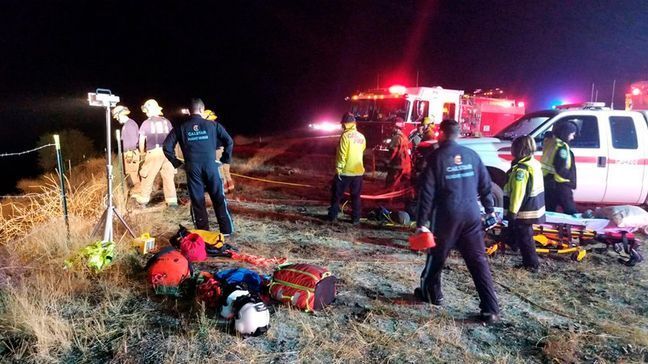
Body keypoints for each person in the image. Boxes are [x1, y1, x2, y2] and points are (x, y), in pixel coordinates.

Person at [414, 119, 500, 324]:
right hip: (471, 215)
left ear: (442, 134)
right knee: (478, 261)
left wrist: (421, 223)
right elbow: (486, 185)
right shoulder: (472, 155)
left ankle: (432, 294)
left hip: (446, 216)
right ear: (458, 134)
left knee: (436, 257)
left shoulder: (436, 157)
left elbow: (426, 193)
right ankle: (491, 310)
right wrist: (489, 210)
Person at [163, 98, 234, 234]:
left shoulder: (180, 127)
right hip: (211, 166)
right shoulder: (213, 125)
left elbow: (167, 147)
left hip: (192, 168)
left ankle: (203, 232)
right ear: (202, 109)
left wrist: (177, 163)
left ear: (189, 111)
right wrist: (224, 159)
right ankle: (226, 230)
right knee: (218, 197)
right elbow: (229, 142)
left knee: (197, 201)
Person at [503, 135, 545, 272]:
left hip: (524, 210)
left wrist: (512, 212)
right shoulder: (533, 163)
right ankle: (516, 247)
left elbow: (518, 193)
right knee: (524, 236)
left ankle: (532, 265)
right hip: (534, 206)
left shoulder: (521, 170)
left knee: (526, 239)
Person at [137, 99, 178, 207]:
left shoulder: (146, 123)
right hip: (168, 153)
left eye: (146, 110)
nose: (145, 113)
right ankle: (172, 201)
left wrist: (142, 154)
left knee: (147, 177)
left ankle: (143, 200)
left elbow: (142, 141)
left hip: (154, 153)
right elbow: (173, 138)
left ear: (149, 110)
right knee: (168, 177)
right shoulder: (167, 122)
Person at [327, 113, 366, 225]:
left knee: (336, 195)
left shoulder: (345, 136)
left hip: (345, 172)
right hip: (358, 172)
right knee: (356, 196)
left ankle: (333, 216)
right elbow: (361, 151)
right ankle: (356, 219)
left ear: (345, 124)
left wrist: (339, 169)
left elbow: (342, 154)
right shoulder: (361, 136)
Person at [541, 120, 578, 215]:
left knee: (549, 211)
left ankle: (546, 229)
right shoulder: (561, 147)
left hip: (548, 181)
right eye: (571, 134)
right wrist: (570, 177)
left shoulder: (550, 142)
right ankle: (573, 229)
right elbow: (560, 168)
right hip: (559, 183)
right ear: (565, 133)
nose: (573, 137)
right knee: (571, 211)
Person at [111, 105, 141, 195]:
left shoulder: (129, 124)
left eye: (117, 116)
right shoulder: (127, 124)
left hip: (130, 152)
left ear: (121, 114)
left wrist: (129, 154)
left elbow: (134, 139)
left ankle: (139, 192)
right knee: (131, 173)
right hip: (129, 152)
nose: (117, 119)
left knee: (133, 173)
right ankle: (138, 191)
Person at [204, 109, 234, 193]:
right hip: (223, 149)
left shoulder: (208, 127)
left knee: (220, 171)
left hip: (216, 151)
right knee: (226, 170)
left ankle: (223, 189)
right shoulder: (217, 125)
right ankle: (231, 188)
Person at [385, 118, 411, 189]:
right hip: (406, 165)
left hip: (397, 166)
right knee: (402, 186)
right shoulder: (404, 136)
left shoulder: (396, 138)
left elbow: (393, 152)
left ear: (396, 128)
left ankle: (388, 199)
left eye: (392, 126)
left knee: (391, 184)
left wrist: (387, 162)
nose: (391, 128)